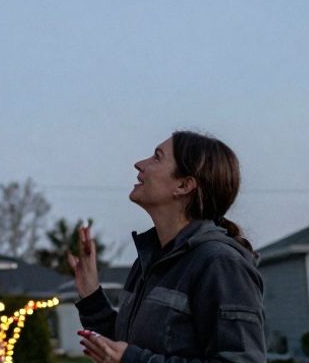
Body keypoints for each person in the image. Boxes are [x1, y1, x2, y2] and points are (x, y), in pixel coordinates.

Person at [69, 131, 266, 363]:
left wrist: (134, 360)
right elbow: (123, 348)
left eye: (157, 157)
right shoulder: (149, 261)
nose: (139, 164)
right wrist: (91, 295)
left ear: (184, 185)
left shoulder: (220, 263)